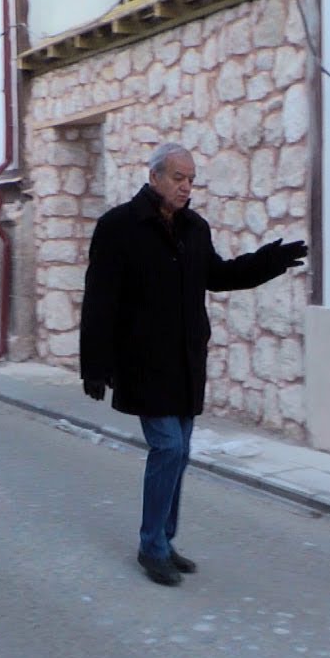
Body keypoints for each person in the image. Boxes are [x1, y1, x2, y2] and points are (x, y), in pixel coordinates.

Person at [79, 142, 308, 586]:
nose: (186, 187)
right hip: (143, 362)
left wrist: (269, 262)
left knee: (180, 452)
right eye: (178, 178)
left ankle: (164, 540)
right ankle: (151, 547)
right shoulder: (118, 227)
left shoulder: (194, 228)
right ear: (155, 177)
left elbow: (218, 276)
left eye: (191, 180)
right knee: (168, 447)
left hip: (185, 361)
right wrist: (95, 365)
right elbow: (100, 299)